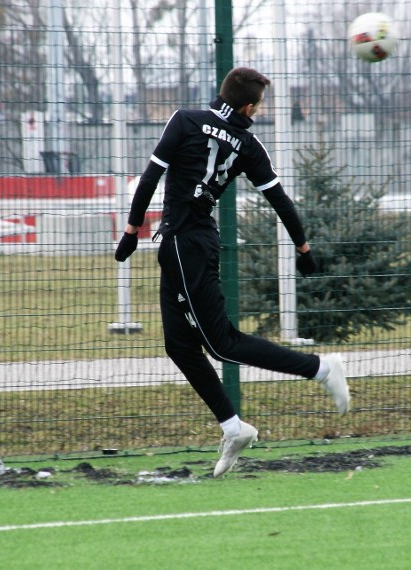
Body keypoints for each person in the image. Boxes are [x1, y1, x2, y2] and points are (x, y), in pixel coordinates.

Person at [114, 67, 350, 477]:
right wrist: (303, 247)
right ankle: (234, 426)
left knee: (222, 343)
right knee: (180, 346)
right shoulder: (248, 143)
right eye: (258, 106)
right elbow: (280, 200)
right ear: (248, 106)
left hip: (185, 244)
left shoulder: (184, 119)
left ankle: (321, 368)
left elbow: (150, 176)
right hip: (187, 244)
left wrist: (132, 230)